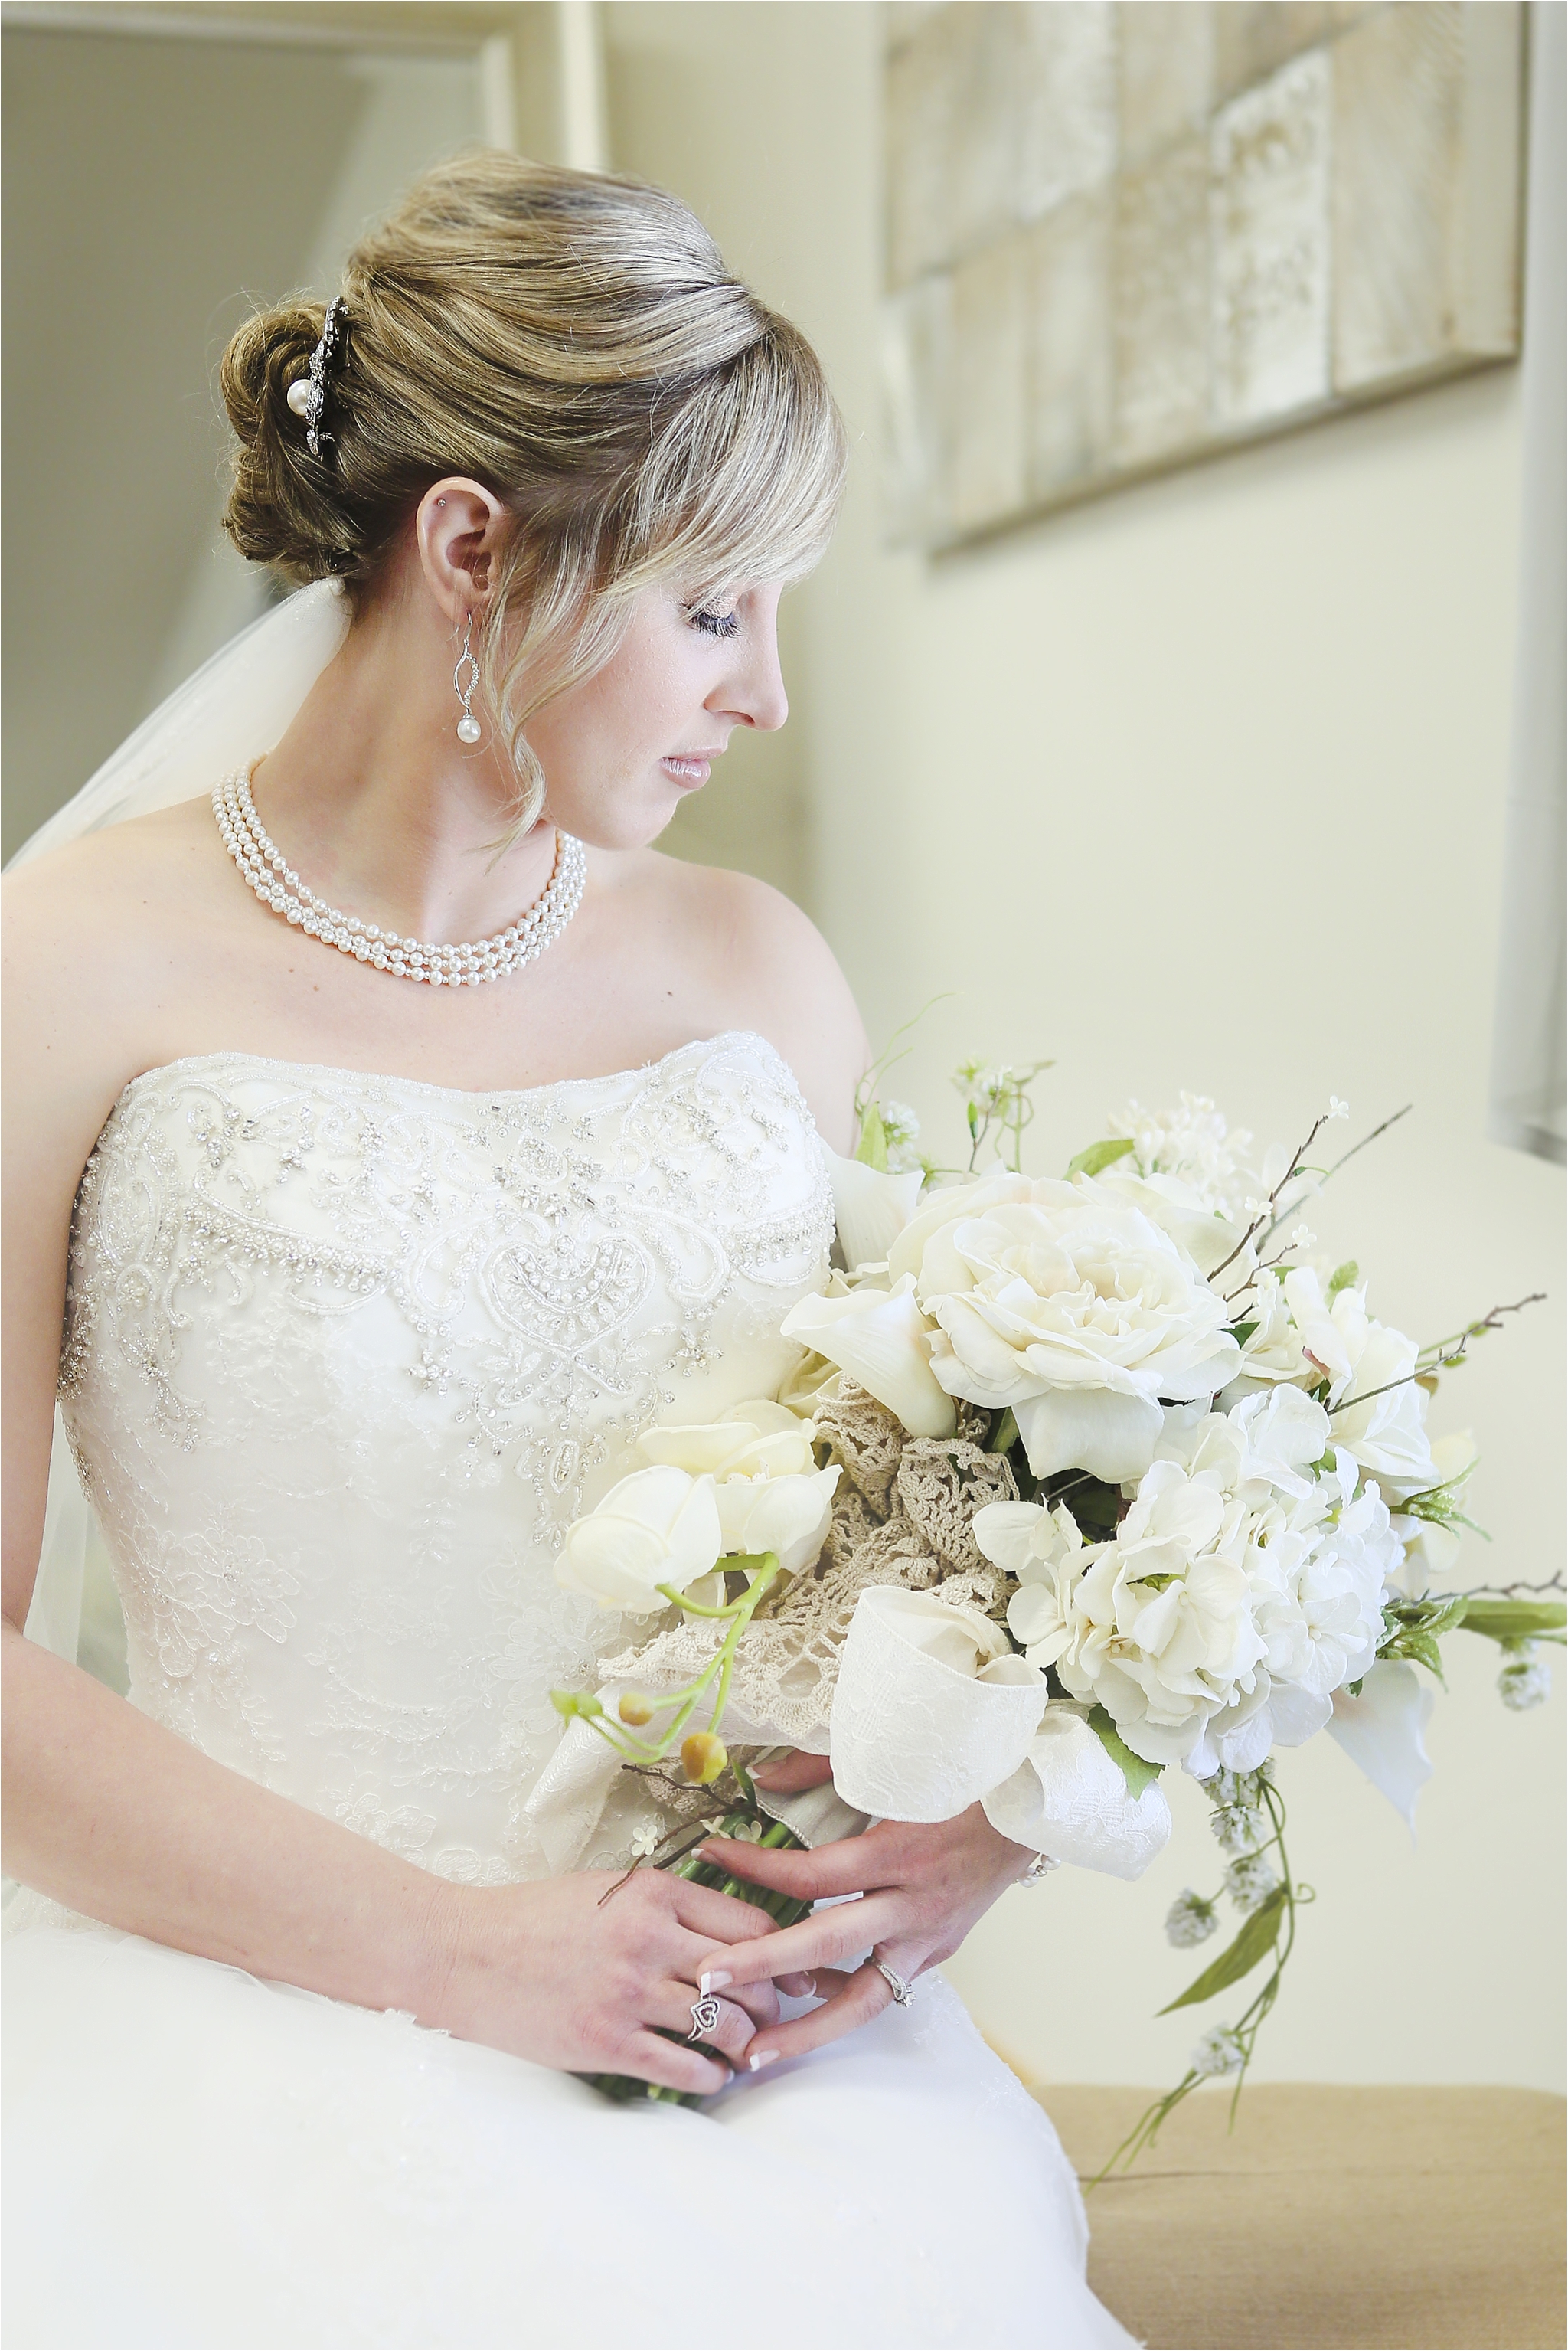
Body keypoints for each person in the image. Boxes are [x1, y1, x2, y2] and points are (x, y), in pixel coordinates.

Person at [2, 154, 1132, 2350]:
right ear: (470, 550)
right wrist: (461, 1955)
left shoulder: (758, 970)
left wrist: (979, 1817)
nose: (767, 694)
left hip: (739, 2043)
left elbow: (908, 1529)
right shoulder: (57, 972)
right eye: (715, 611)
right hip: (239, 2019)